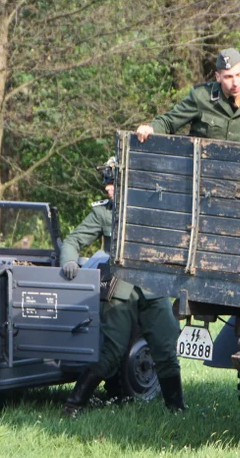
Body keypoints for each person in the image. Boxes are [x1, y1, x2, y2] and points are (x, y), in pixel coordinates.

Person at [58, 158, 184, 417]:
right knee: (112, 352)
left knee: (165, 346)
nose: (107, 188)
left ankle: (177, 409)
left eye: (113, 182)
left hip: (152, 285)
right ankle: (73, 405)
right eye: (106, 183)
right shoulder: (103, 213)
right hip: (119, 288)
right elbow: (73, 239)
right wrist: (69, 260)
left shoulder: (154, 208)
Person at [135, 48, 240, 144]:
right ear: (218, 77)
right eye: (228, 77)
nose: (235, 82)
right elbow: (170, 122)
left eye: (238, 75)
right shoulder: (201, 97)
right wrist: (151, 128)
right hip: (200, 168)